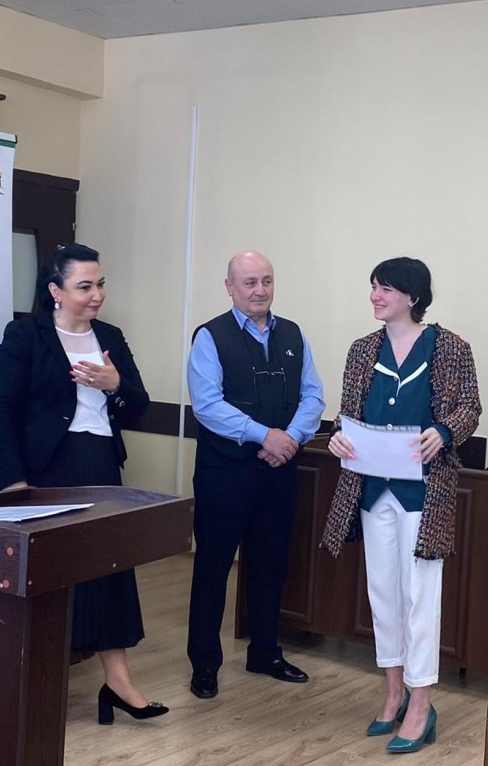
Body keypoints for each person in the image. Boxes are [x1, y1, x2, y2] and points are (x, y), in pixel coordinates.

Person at [0, 243, 167, 725]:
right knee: (46, 576)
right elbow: (2, 409)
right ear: (55, 290)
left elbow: (139, 405)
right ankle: (35, 684)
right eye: (84, 286)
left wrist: (114, 384)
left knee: (110, 568)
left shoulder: (110, 336)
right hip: (48, 469)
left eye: (100, 284)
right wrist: (13, 479)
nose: (97, 295)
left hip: (101, 466)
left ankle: (118, 681)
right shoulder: (26, 335)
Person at [322, 256, 481, 754]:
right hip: (372, 487)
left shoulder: (449, 347)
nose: (375, 295)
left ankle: (421, 703)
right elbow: (348, 414)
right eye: (373, 286)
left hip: (424, 491)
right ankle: (392, 693)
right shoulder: (361, 350)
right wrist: (338, 436)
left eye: (385, 288)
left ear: (412, 296)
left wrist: (445, 431)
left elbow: (469, 406)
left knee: (419, 597)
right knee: (383, 594)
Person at [186, 251, 325, 700]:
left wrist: (290, 438)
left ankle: (265, 652)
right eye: (249, 282)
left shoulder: (293, 334)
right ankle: (205, 664)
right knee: (212, 569)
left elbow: (313, 396)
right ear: (230, 287)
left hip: (279, 471)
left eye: (266, 280)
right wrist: (265, 435)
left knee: (271, 564)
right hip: (225, 473)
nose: (259, 290)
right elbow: (207, 405)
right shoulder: (210, 337)